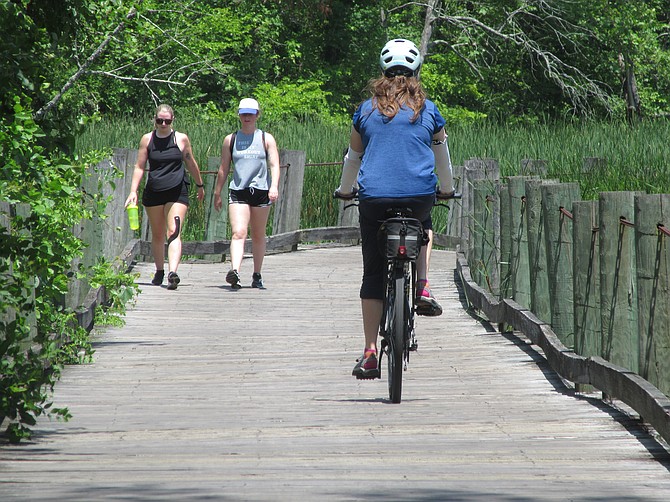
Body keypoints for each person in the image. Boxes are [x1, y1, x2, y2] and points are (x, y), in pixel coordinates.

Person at [334, 39, 457, 379]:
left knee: (373, 273)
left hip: (374, 198)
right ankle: (422, 285)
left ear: (382, 72)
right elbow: (441, 157)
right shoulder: (428, 110)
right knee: (424, 221)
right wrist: (446, 189)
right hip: (418, 197)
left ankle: (371, 351)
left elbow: (353, 158)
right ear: (416, 72)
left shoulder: (365, 110)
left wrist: (345, 191)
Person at [125, 104, 204, 290]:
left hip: (177, 189)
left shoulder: (181, 139)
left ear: (172, 120)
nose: (163, 124)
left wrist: (200, 184)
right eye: (159, 120)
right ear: (154, 119)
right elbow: (139, 166)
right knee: (158, 233)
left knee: (173, 231)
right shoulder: (147, 139)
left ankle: (172, 272)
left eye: (167, 121)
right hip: (154, 190)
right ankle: (159, 270)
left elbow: (190, 162)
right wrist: (133, 191)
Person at [213, 98, 280, 289]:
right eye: (244, 114)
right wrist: (217, 193)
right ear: (239, 115)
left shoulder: (266, 138)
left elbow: (274, 164)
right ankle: (235, 271)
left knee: (258, 234)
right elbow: (224, 168)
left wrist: (273, 186)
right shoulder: (231, 139)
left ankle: (257, 274)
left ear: (257, 115)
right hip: (238, 190)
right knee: (239, 232)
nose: (247, 117)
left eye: (251, 114)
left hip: (261, 190)